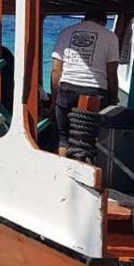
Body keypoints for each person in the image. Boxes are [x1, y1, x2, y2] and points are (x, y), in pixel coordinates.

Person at [51, 9, 119, 156]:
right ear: (104, 23)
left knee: (63, 138)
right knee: (91, 141)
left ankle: (63, 171)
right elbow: (112, 74)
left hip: (67, 89)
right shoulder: (110, 36)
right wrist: (113, 102)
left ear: (84, 19)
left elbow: (56, 71)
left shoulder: (66, 32)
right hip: (96, 91)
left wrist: (54, 99)